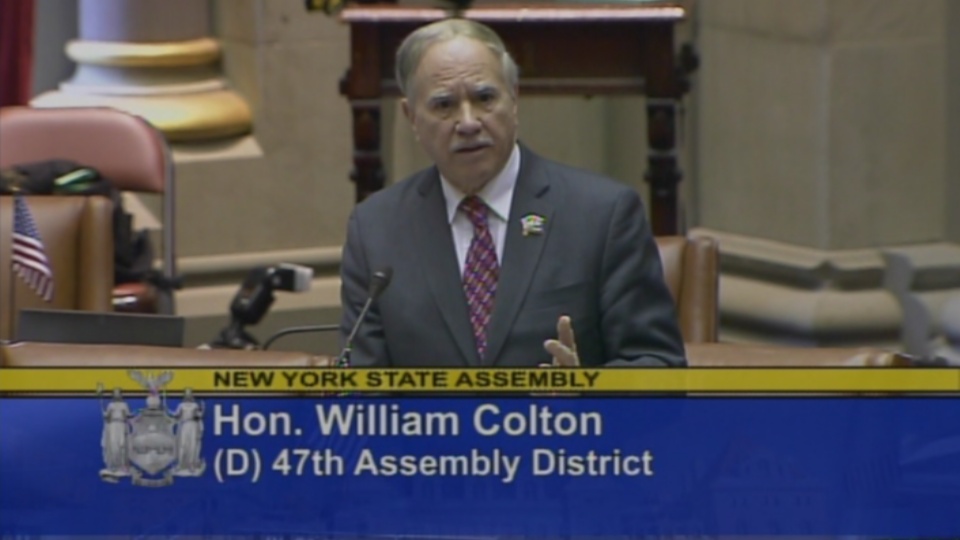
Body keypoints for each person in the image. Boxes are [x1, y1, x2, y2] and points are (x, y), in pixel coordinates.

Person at [339, 18, 686, 368]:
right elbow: (363, 386)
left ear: (514, 98)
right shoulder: (375, 230)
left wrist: (588, 390)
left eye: (485, 98)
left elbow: (660, 366)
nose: (468, 122)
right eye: (444, 105)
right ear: (411, 116)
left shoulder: (602, 214)